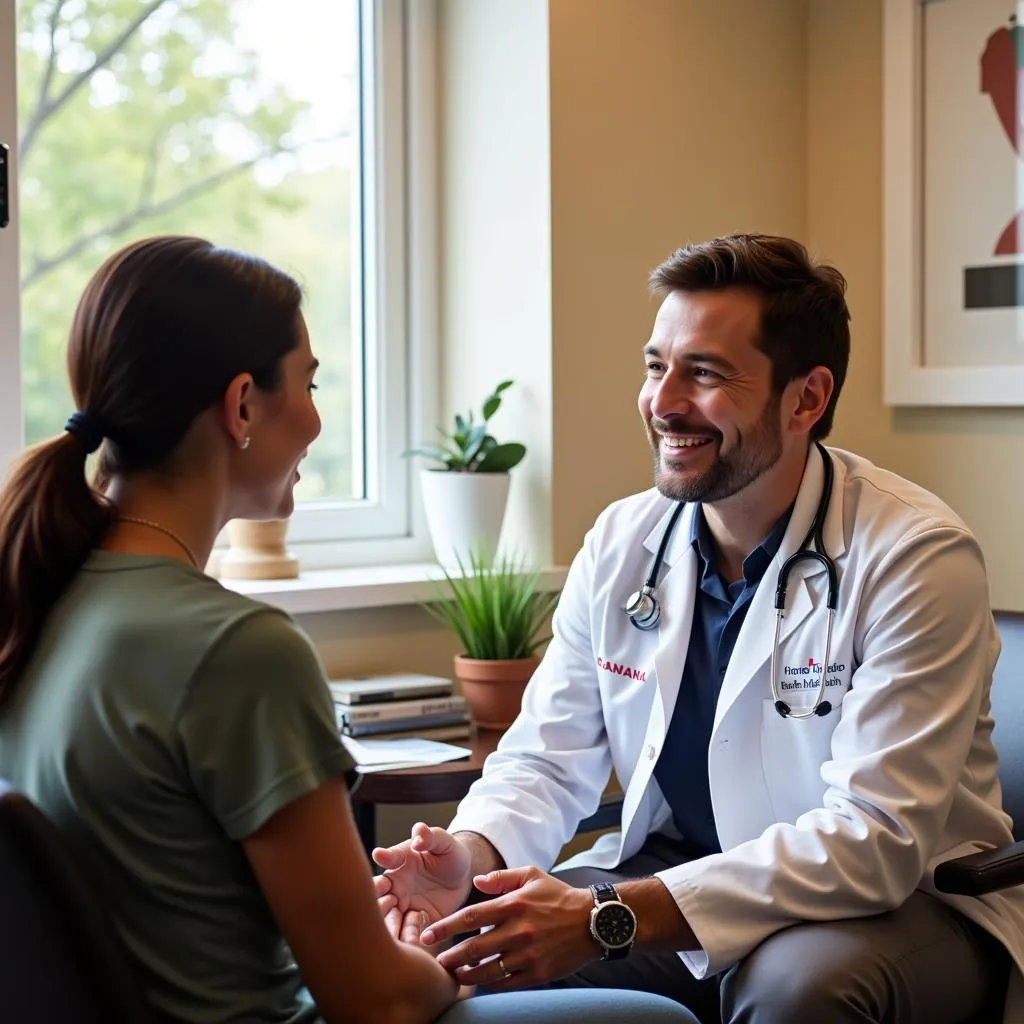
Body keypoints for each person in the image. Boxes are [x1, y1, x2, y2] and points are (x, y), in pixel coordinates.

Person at [0, 236, 699, 1024]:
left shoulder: (37, 598)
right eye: (309, 382)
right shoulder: (237, 651)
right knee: (656, 1017)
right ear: (240, 406)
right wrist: (451, 963)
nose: (316, 418)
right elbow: (378, 1002)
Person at [373, 234, 1024, 1024]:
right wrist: (471, 856)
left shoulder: (916, 555)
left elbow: (873, 840)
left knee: (795, 991)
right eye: (656, 366)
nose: (663, 401)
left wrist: (607, 915)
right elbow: (547, 756)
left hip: (898, 905)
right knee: (471, 947)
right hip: (678, 871)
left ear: (806, 399)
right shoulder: (623, 540)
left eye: (705, 373)